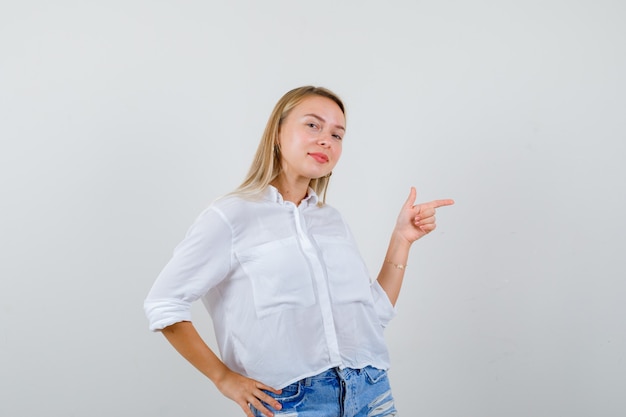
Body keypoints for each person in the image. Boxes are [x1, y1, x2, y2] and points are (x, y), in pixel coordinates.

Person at [144, 86, 454, 417]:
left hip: (370, 392)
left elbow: (373, 315)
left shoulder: (331, 220)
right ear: (277, 133)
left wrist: (401, 239)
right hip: (292, 401)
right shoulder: (230, 216)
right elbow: (163, 303)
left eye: (337, 134)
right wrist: (223, 379)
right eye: (312, 125)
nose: (327, 140)